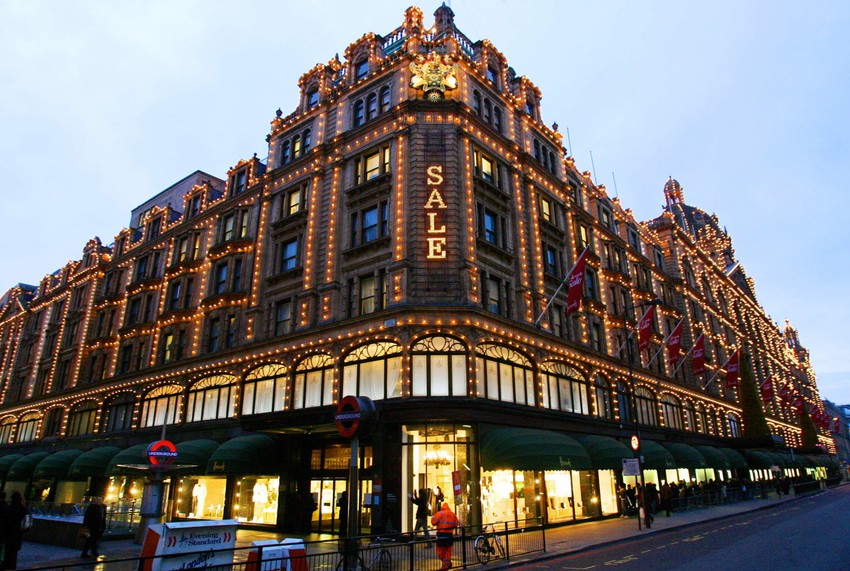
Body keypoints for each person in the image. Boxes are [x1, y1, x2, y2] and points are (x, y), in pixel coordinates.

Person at [430, 502, 458, 570]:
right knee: (448, 552)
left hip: (441, 535)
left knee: (440, 551)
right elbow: (457, 523)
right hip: (449, 535)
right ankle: (446, 564)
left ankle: (446, 565)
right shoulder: (452, 514)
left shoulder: (439, 513)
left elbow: (433, 522)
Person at [4, 491, 27, 570]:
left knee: (7, 551)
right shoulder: (23, 509)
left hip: (8, 532)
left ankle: (6, 565)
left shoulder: (10, 509)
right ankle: (11, 566)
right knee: (13, 553)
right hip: (17, 533)